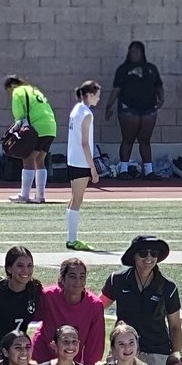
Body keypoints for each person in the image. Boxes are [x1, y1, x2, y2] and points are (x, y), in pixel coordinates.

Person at [100, 235, 181, 365]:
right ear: (134, 256)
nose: (149, 258)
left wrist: (176, 360)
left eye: (154, 253)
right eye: (143, 253)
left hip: (158, 351)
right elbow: (97, 308)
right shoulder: (117, 280)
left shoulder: (169, 287)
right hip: (123, 348)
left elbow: (175, 326)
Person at [105, 41, 164, 180]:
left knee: (145, 140)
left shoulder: (151, 68)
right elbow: (116, 89)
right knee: (128, 139)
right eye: (131, 51)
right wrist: (109, 106)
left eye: (137, 51)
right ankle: (123, 169)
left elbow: (158, 85)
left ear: (142, 53)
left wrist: (161, 99)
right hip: (128, 109)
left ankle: (149, 171)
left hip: (148, 109)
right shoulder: (123, 69)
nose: (134, 54)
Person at [31, 258, 105, 365]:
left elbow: (95, 345)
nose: (78, 282)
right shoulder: (48, 296)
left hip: (70, 364)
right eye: (72, 277)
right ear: (63, 279)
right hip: (41, 358)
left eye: (82, 277)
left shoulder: (94, 305)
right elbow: (26, 316)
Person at [0, 246, 40, 364]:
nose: (26, 270)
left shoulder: (34, 290)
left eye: (29, 265)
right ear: (9, 268)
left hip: (17, 354)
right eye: (20, 266)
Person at [3, 75, 56, 204]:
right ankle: (40, 195)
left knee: (28, 158)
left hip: (37, 128)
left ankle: (24, 195)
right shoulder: (34, 90)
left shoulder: (18, 91)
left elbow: (19, 114)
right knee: (40, 160)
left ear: (10, 86)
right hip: (51, 127)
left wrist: (16, 125)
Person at [65, 80, 102, 251]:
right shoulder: (87, 114)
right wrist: (93, 168)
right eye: (97, 95)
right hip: (81, 161)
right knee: (77, 200)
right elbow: (85, 143)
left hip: (73, 160)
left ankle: (71, 237)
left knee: (74, 200)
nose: (99, 99)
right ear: (90, 94)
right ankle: (72, 239)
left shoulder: (76, 110)